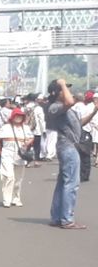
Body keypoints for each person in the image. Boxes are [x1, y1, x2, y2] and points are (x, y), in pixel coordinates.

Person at [47, 79, 98, 229]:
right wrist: (61, 84)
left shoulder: (66, 109)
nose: (68, 92)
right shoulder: (55, 107)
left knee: (63, 182)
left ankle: (58, 217)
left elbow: (79, 123)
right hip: (67, 146)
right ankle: (67, 218)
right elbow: (69, 102)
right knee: (71, 183)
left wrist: (95, 111)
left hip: (69, 146)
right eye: (64, 90)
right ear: (56, 93)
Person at [0, 108, 33, 207]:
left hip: (20, 155)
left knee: (18, 179)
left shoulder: (25, 128)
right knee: (8, 176)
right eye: (17, 116)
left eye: (20, 116)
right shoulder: (6, 127)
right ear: (13, 117)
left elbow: (31, 137)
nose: (18, 118)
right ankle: (7, 199)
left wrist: (28, 142)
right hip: (7, 153)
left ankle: (16, 198)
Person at [72, 91, 95, 182]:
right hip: (87, 132)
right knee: (86, 155)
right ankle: (85, 175)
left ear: (76, 99)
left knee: (77, 154)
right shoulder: (87, 108)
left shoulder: (74, 108)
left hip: (78, 131)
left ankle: (78, 174)